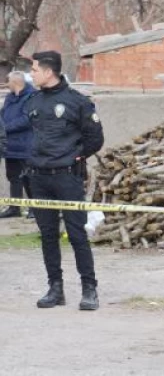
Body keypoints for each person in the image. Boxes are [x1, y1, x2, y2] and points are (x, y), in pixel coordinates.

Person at [25, 51, 104, 311]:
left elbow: (95, 138)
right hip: (39, 178)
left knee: (76, 234)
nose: (31, 74)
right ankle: (55, 288)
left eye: (35, 69)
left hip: (66, 177)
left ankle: (89, 289)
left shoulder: (77, 102)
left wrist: (75, 156)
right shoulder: (33, 100)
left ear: (48, 72)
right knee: (48, 236)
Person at [0, 71, 35, 219]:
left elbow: (26, 120)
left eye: (8, 82)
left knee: (29, 178)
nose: (7, 85)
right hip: (10, 147)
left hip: (26, 145)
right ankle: (15, 208)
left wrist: (4, 128)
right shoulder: (9, 97)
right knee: (13, 177)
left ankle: (35, 208)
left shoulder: (32, 96)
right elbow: (2, 115)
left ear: (15, 83)